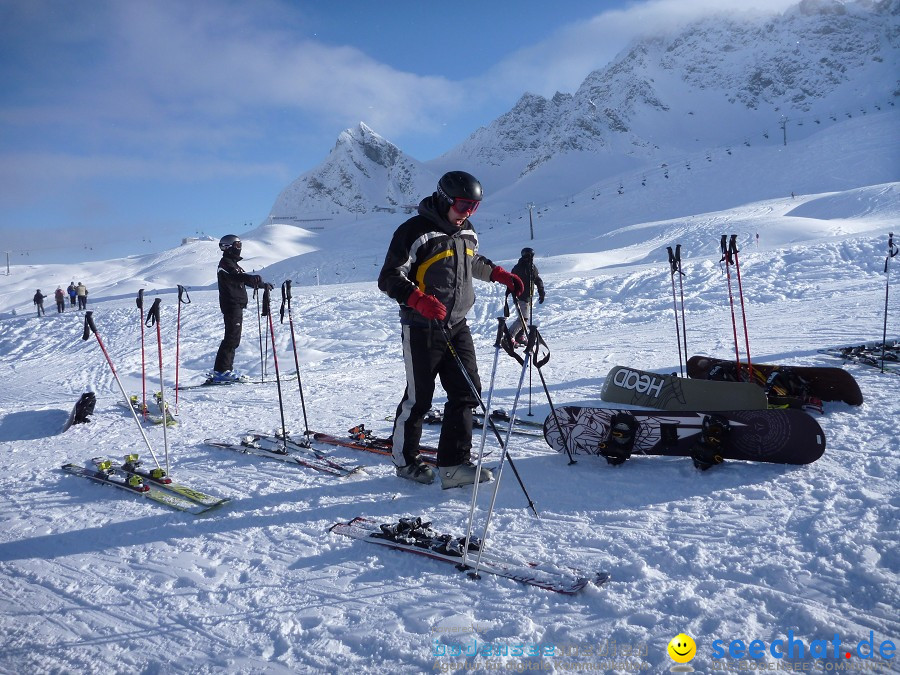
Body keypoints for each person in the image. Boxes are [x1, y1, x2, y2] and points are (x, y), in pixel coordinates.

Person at [378, 170, 524, 489]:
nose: (468, 212)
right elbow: (389, 276)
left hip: (457, 324)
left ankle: (454, 466)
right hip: (421, 326)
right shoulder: (415, 231)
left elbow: (470, 260)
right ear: (445, 200)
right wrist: (417, 299)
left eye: (474, 206)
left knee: (467, 391)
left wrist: (498, 274)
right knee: (420, 398)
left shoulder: (467, 231)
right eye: (462, 205)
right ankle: (405, 462)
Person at [212, 234, 264, 383]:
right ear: (229, 247)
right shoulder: (226, 264)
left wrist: (261, 285)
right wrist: (252, 278)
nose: (239, 248)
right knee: (231, 339)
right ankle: (222, 372)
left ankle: (224, 370)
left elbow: (243, 278)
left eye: (240, 245)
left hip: (236, 304)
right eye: (237, 245)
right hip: (231, 304)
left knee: (233, 338)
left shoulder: (232, 263)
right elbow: (239, 277)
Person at [506, 247, 545, 346]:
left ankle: (520, 335)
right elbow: (512, 280)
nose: (531, 258)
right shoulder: (520, 267)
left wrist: (541, 292)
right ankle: (509, 336)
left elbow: (537, 279)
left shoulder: (531, 267)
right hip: (521, 296)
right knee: (523, 318)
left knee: (525, 317)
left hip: (527, 296)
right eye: (529, 256)